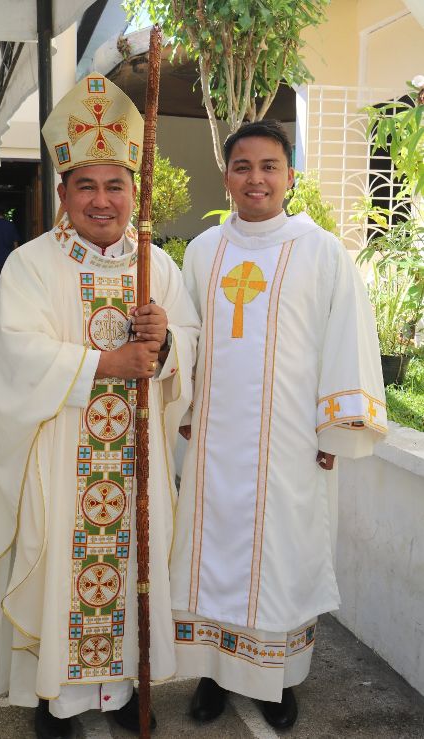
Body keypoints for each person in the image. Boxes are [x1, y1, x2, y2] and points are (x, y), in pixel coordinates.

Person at [0, 73, 199, 739]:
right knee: (60, 566)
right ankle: (56, 698)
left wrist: (165, 343)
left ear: (134, 191)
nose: (102, 199)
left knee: (133, 572)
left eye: (114, 184)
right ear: (63, 193)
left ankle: (124, 687)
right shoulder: (33, 266)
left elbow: (190, 349)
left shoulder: (159, 268)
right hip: (60, 461)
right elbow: (13, 353)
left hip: (136, 462)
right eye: (86, 186)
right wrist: (105, 363)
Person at [170, 120, 387, 730]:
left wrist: (335, 430)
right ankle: (212, 675)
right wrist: (182, 408)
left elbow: (347, 339)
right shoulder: (204, 251)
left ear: (290, 176)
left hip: (290, 445)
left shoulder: (321, 252)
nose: (256, 178)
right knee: (209, 559)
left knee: (283, 562)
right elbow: (188, 337)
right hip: (215, 444)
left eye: (269, 166)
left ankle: (277, 683)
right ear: (227, 176)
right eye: (243, 167)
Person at [0, 206, 20, 288]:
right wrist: (16, 258)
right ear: (4, 214)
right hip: (7, 257)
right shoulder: (10, 225)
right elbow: (15, 243)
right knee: (6, 279)